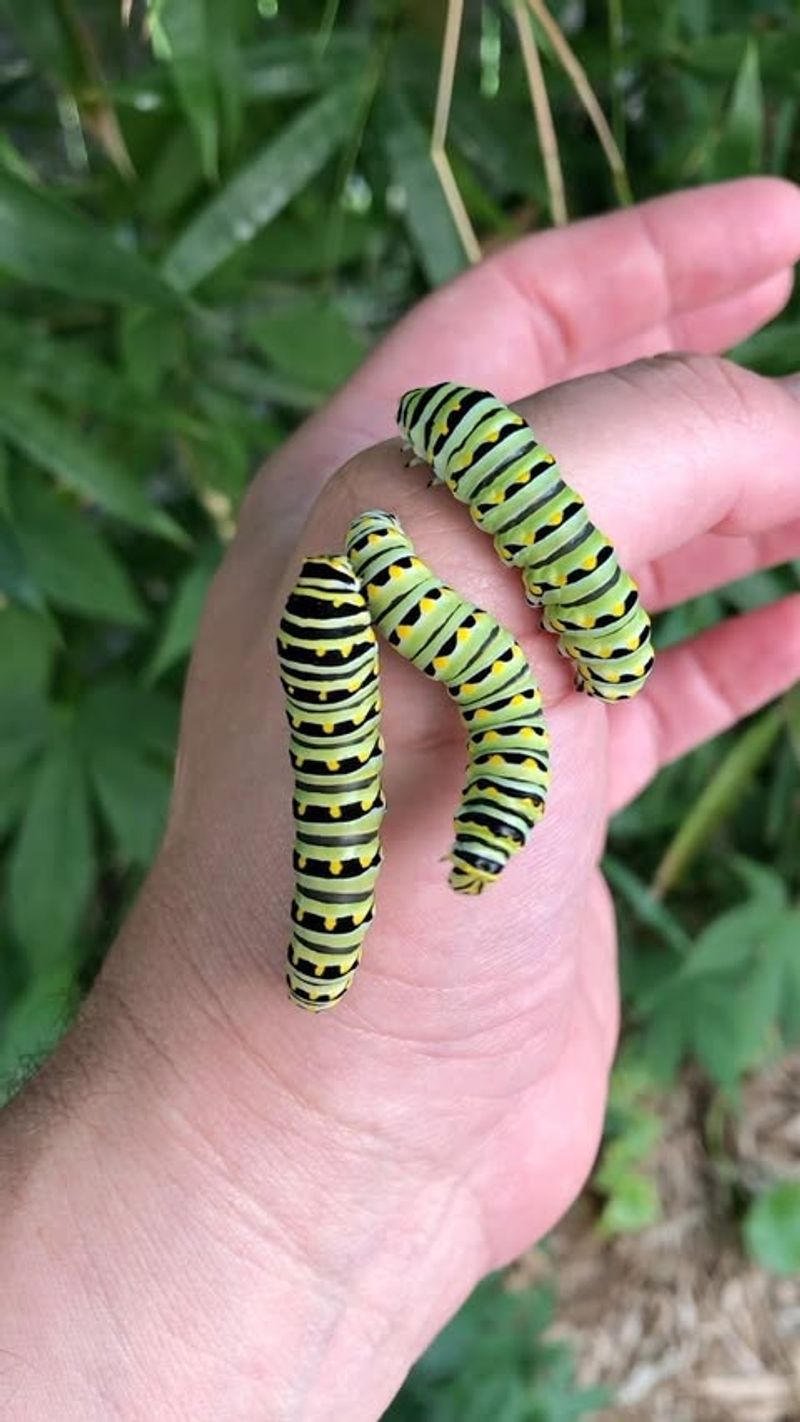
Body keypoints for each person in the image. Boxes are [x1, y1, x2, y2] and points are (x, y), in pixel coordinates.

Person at [2, 176, 800, 1421]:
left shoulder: (439, 634)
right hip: (420, 618)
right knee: (543, 687)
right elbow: (576, 674)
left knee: (523, 694)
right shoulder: (447, 643)